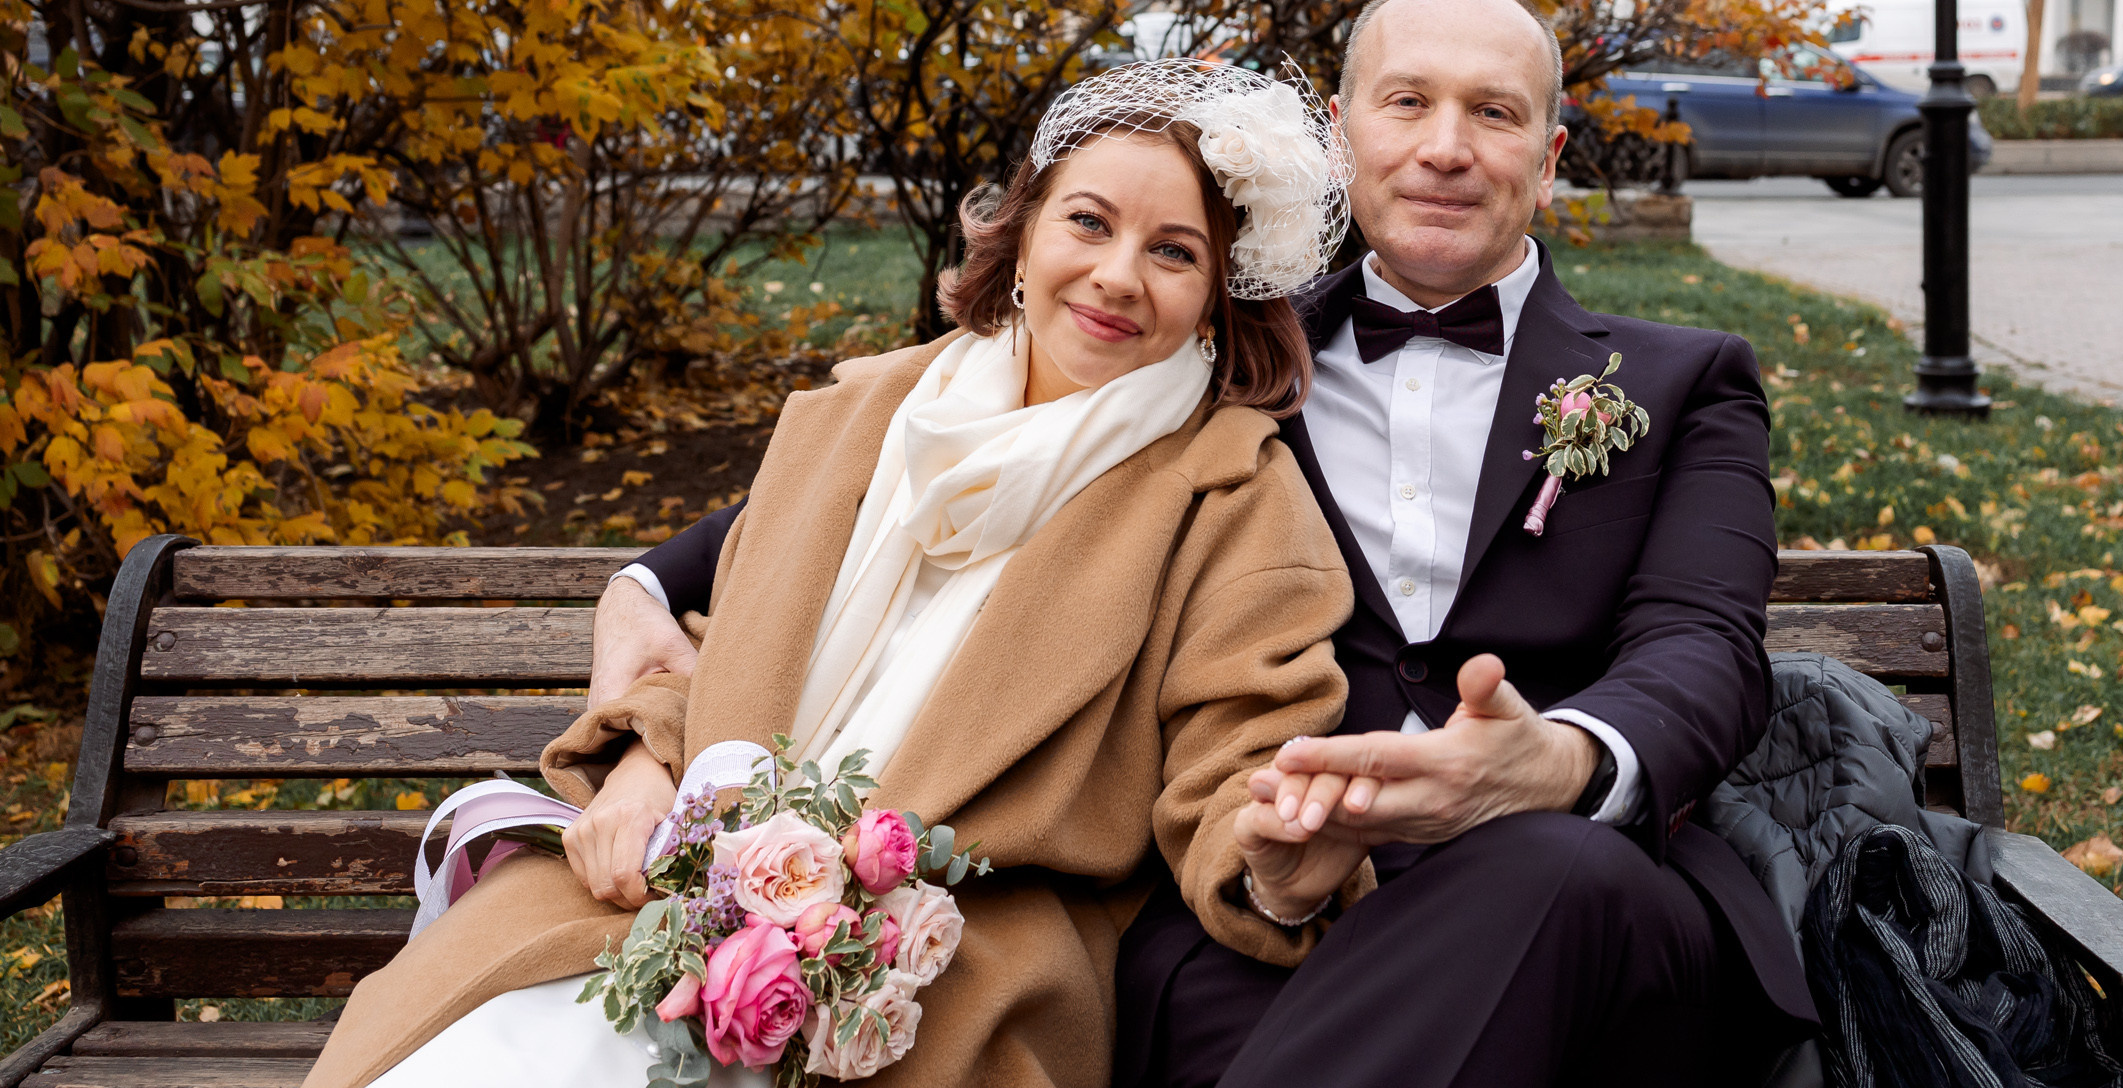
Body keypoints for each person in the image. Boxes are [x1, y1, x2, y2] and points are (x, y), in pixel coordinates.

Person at [597, 0, 1820, 1088]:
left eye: (1494, 115)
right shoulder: (1209, 356)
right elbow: (829, 501)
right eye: (1407, 102)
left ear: (1547, 159)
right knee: (1205, 1012)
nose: (1447, 148)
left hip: (1590, 893)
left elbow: (1706, 645)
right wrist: (639, 597)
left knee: (1550, 875)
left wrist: (1555, 763)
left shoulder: (1681, 378)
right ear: (1345, 137)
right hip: (1260, 908)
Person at [305, 61, 1366, 1088]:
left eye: (1174, 252)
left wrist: (1274, 856)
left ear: (1221, 292)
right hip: (684, 883)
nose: (1118, 274)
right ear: (1027, 224)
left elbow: (1244, 750)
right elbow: (736, 643)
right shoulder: (859, 416)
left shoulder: (1233, 496)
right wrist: (646, 761)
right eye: (1089, 221)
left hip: (943, 953)